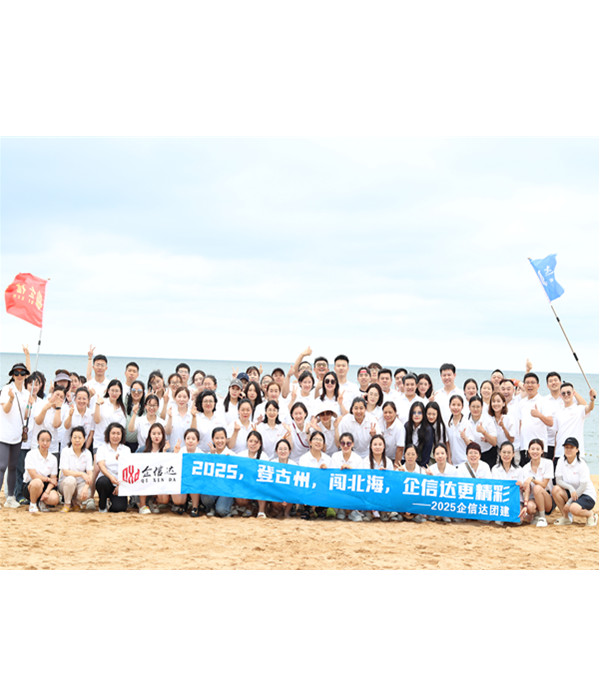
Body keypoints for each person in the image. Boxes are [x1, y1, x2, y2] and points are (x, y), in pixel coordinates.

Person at [552, 437, 598, 527]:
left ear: (577, 450)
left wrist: (569, 502)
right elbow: (558, 480)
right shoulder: (561, 461)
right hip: (572, 492)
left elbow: (583, 486)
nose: (568, 450)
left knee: (573, 508)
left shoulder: (582, 464)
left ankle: (591, 515)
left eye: (571, 447)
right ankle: (566, 518)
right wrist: (570, 488)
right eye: (566, 447)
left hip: (586, 494)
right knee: (555, 489)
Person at [95, 423, 131, 513]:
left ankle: (111, 503)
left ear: (122, 435)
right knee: (102, 482)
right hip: (106, 481)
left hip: (120, 483)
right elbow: (101, 466)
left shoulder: (126, 450)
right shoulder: (102, 449)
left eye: (118, 433)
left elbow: (127, 469)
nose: (115, 436)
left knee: (119, 508)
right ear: (108, 434)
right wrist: (111, 477)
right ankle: (102, 504)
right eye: (113, 433)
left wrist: (120, 485)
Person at [200, 427, 235, 518]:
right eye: (217, 438)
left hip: (226, 490)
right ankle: (210, 507)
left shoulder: (232, 455)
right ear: (212, 439)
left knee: (221, 510)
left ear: (226, 439)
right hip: (212, 488)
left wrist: (230, 461)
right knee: (206, 497)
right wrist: (212, 458)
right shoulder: (208, 455)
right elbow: (205, 475)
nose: (220, 441)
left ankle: (227, 507)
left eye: (222, 438)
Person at [58, 426, 94, 512]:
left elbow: (90, 473)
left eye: (80, 438)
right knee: (71, 480)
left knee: (87, 493)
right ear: (71, 439)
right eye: (74, 437)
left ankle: (76, 503)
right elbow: (65, 472)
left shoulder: (87, 453)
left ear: (84, 439)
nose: (77, 440)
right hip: (66, 484)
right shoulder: (66, 451)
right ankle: (67, 504)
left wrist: (86, 487)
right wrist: (81, 474)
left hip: (80, 484)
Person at [138, 423, 171, 515]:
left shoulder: (167, 449)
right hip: (145, 479)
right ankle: (142, 505)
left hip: (160, 480)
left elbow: (169, 466)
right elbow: (133, 462)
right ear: (150, 434)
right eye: (154, 433)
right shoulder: (142, 450)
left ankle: (154, 502)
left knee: (164, 499)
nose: (156, 436)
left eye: (159, 434)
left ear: (163, 435)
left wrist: (164, 452)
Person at [23, 430, 59, 513]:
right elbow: (33, 476)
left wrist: (46, 492)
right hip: (31, 485)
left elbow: (53, 479)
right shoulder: (31, 455)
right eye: (42, 440)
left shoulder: (53, 458)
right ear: (38, 441)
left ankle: (42, 502)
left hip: (46, 486)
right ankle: (33, 504)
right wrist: (48, 479)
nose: (45, 443)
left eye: (48, 440)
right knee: (37, 482)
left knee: (54, 499)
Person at [521, 438, 555, 527]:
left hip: (547, 499)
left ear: (542, 451)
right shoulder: (525, 468)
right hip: (533, 498)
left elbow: (544, 485)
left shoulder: (548, 463)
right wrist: (525, 505)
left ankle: (542, 517)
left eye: (537, 449)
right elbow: (527, 488)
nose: (535, 452)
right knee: (529, 507)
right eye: (532, 449)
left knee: (537, 488)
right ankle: (535, 515)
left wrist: (532, 479)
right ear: (528, 451)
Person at [491, 441, 526, 523]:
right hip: (500, 501)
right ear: (500, 453)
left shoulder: (519, 470)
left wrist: (521, 485)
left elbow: (524, 488)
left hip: (516, 501)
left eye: (509, 452)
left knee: (518, 521)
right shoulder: (495, 469)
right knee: (499, 522)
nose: (506, 455)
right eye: (504, 452)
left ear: (513, 454)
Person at [234, 431, 263, 518]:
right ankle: (246, 507)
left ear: (260, 444)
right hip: (243, 484)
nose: (253, 444)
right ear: (247, 442)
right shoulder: (240, 455)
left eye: (256, 442)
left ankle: (260, 511)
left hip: (257, 485)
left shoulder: (264, 457)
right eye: (250, 441)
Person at [92, 379, 127, 452]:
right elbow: (96, 421)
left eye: (117, 391)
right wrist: (97, 404)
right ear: (108, 391)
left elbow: (122, 428)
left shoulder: (122, 408)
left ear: (120, 392)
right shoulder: (101, 402)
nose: (114, 393)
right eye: (112, 390)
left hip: (115, 446)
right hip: (100, 443)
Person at [395, 444, 426, 523]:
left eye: (413, 454)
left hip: (416, 503)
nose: (410, 457)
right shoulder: (398, 471)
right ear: (404, 455)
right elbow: (396, 491)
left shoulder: (422, 472)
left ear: (417, 456)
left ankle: (415, 514)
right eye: (408, 454)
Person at [466, 395, 497, 466]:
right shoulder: (465, 420)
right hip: (472, 455)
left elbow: (494, 442)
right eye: (473, 406)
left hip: (488, 454)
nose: (475, 409)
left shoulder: (488, 420)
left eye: (478, 407)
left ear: (482, 407)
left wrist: (483, 432)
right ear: (469, 407)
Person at [404, 401, 434, 467]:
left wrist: (423, 466)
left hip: (422, 462)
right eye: (414, 413)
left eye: (419, 413)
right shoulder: (407, 426)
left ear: (423, 414)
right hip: (408, 461)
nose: (416, 415)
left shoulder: (428, 429)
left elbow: (427, 451)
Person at [447, 395, 472, 466]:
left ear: (462, 407)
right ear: (449, 406)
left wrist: (464, 437)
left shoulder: (467, 423)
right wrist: (449, 459)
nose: (456, 407)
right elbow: (447, 443)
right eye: (453, 405)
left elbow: (471, 445)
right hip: (453, 462)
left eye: (458, 405)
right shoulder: (448, 424)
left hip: (466, 461)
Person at [378, 400, 405, 466]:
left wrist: (395, 466)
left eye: (390, 412)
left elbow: (400, 449)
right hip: (381, 457)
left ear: (395, 413)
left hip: (394, 458)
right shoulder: (380, 421)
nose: (387, 415)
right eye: (385, 412)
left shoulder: (399, 427)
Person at [122, 380, 145, 451]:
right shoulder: (124, 402)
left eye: (139, 391)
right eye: (133, 390)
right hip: (123, 442)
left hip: (139, 444)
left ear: (143, 392)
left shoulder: (146, 405)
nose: (136, 392)